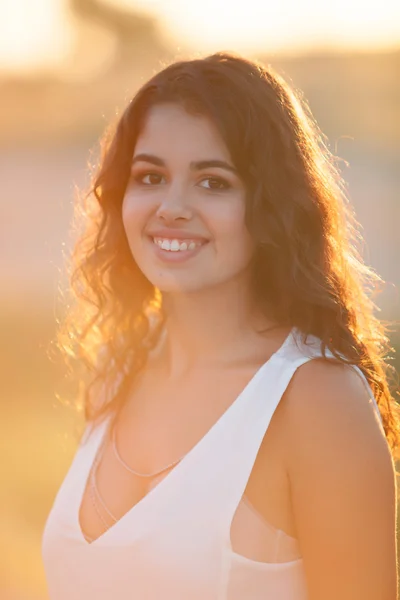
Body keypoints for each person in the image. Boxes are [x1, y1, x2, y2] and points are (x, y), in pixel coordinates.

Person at [42, 52, 398, 599]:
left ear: (272, 205)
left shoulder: (316, 400)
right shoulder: (120, 369)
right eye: (150, 176)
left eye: (213, 182)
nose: (173, 207)